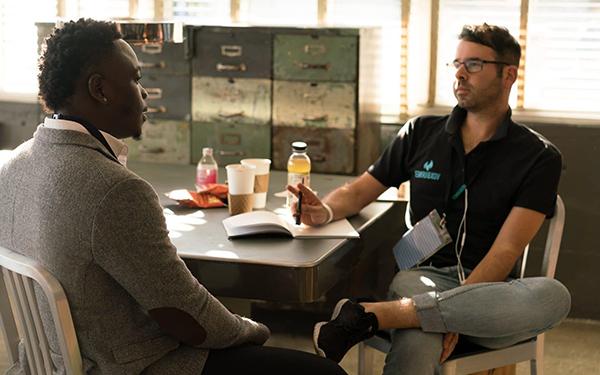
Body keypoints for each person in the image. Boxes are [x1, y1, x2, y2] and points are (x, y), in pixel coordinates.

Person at [0, 19, 346, 375]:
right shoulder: (115, 189)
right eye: (135, 79)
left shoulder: (14, 166)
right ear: (100, 89)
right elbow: (184, 317)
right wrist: (252, 329)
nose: (144, 92)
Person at [288, 24, 571, 374]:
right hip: (421, 277)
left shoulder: (539, 157)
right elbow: (361, 189)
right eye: (457, 64)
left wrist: (454, 312)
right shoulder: (421, 132)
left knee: (554, 296)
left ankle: (371, 315)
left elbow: (505, 252)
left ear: (508, 74)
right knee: (420, 331)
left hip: (493, 296)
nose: (460, 74)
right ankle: (412, 315)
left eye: (475, 64)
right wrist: (325, 209)